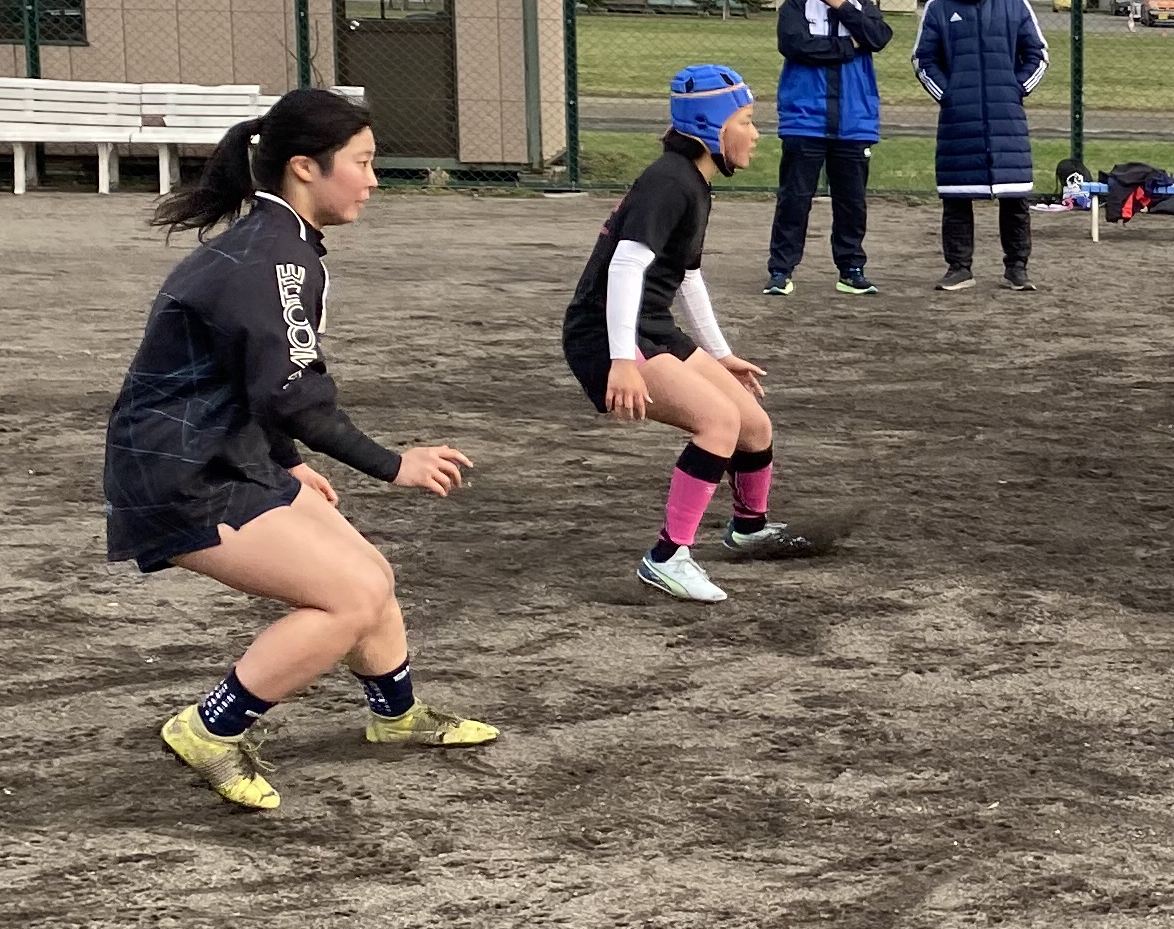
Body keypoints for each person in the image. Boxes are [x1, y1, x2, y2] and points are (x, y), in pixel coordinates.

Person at [107, 87, 490, 815]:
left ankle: (397, 716)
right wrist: (394, 464)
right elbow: (292, 395)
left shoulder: (279, 243)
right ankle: (208, 730)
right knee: (346, 598)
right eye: (362, 163)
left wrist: (284, 463)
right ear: (305, 167)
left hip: (225, 450)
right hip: (179, 472)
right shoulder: (274, 259)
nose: (373, 181)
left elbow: (257, 379)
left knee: (371, 577)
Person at [567, 66, 812, 603]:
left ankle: (748, 528)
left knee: (753, 424)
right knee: (718, 422)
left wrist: (719, 354)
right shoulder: (670, 181)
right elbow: (625, 266)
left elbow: (687, 276)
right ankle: (667, 556)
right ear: (710, 127)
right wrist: (622, 361)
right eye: (745, 120)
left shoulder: (692, 181)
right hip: (607, 334)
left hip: (650, 325)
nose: (755, 134)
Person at [917, 0, 1050, 292]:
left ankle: (1017, 268)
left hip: (1007, 117)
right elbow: (924, 59)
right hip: (958, 118)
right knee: (957, 196)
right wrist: (948, 95)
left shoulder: (1014, 4)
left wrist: (1016, 89)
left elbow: (1037, 54)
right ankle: (959, 268)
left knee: (1015, 197)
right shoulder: (937, 8)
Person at [766, 0, 894, 296]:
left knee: (851, 202)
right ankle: (781, 270)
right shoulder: (796, 7)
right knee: (794, 198)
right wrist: (847, 46)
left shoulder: (862, 8)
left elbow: (879, 37)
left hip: (855, 122)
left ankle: (851, 268)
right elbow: (796, 46)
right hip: (805, 119)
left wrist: (843, 8)